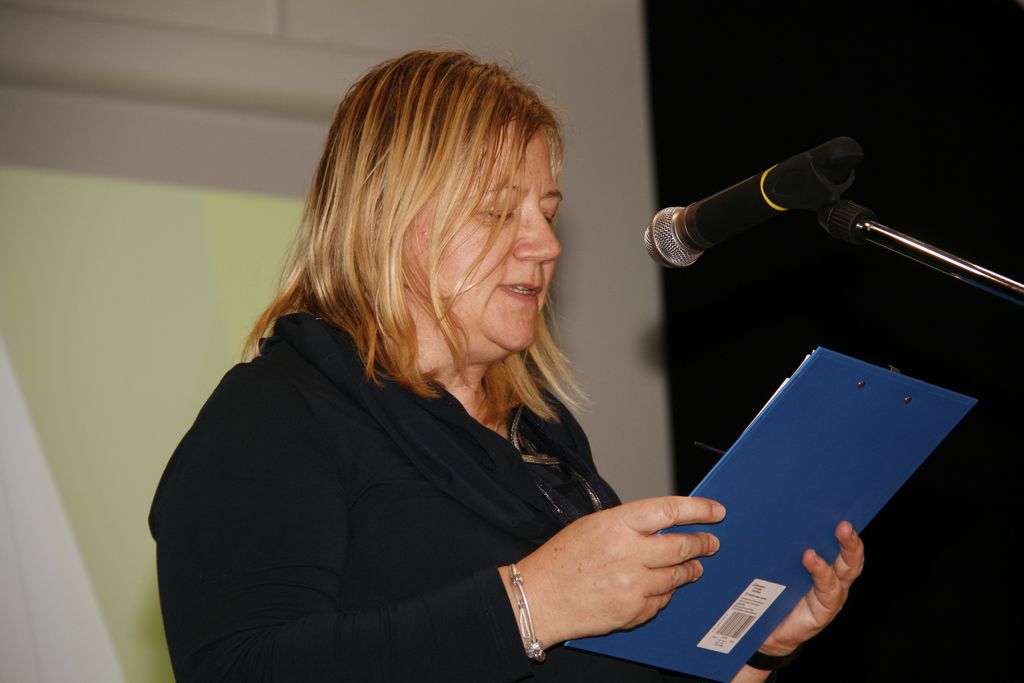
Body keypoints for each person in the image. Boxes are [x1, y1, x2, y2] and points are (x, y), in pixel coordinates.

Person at [149, 49, 864, 682]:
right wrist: (532, 602)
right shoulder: (279, 410)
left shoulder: (544, 435)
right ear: (385, 219)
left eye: (546, 211)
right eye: (497, 212)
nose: (546, 244)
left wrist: (750, 645)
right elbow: (237, 667)